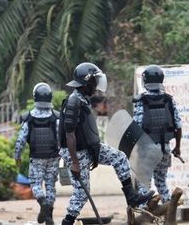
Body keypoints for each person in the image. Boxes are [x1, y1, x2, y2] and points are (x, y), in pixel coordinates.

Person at [59, 62, 154, 225]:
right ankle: (67, 222)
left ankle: (131, 197)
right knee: (82, 194)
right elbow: (69, 134)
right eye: (94, 82)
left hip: (89, 149)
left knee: (119, 157)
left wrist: (95, 154)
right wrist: (74, 162)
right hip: (76, 152)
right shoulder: (73, 101)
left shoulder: (82, 99)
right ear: (87, 82)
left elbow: (85, 131)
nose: (96, 86)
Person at [132, 65, 182, 203]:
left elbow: (136, 126)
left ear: (145, 81)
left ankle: (144, 215)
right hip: (164, 149)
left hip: (146, 150)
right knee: (162, 183)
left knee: (143, 185)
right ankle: (169, 213)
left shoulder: (141, 101)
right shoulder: (169, 100)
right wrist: (177, 147)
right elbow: (178, 126)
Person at [15, 83, 60, 225]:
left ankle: (43, 205)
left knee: (35, 184)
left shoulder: (28, 118)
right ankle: (49, 217)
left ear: (35, 97)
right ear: (50, 97)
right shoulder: (56, 117)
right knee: (51, 185)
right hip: (53, 158)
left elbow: (20, 140)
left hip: (36, 158)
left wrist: (17, 156)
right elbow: (62, 139)